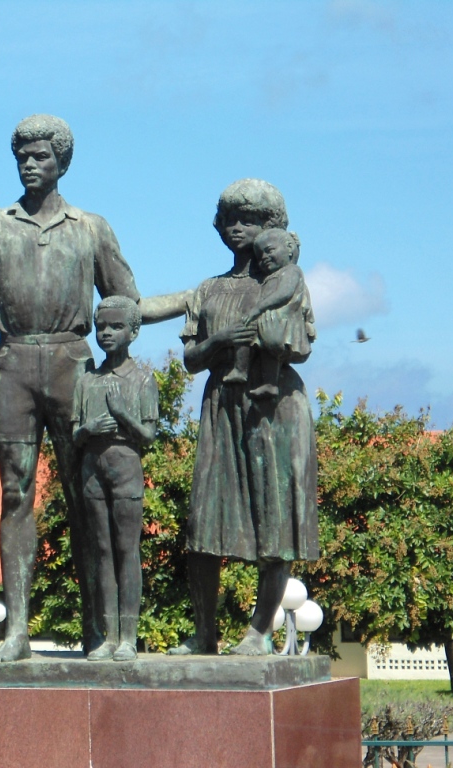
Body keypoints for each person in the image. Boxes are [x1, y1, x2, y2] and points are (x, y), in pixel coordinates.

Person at [0, 115, 187, 661]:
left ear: (62, 162)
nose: (29, 163)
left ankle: (101, 631)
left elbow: (127, 303)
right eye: (22, 155)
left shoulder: (91, 228)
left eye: (41, 155)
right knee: (13, 493)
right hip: (15, 363)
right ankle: (18, 632)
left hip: (73, 362)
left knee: (86, 498)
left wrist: (195, 299)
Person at [170, 178, 318, 657]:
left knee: (276, 522)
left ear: (272, 226)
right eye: (230, 218)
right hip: (222, 407)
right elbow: (191, 359)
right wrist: (218, 341)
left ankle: (259, 630)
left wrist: (268, 340)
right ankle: (204, 632)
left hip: (274, 409)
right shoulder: (209, 289)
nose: (238, 228)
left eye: (250, 220)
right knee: (205, 522)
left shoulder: (287, 280)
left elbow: (301, 345)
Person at [71, 296, 158, 662]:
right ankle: (108, 637)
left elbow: (150, 436)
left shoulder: (142, 378)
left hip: (125, 464)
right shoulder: (87, 379)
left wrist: (123, 415)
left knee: (126, 551)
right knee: (101, 552)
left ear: (133, 332)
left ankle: (128, 637)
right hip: (93, 466)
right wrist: (87, 427)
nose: (105, 333)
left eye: (115, 326)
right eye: (101, 326)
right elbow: (74, 432)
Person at [222, 228, 313, 399]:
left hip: (283, 322)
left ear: (289, 249)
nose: (264, 258)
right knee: (254, 340)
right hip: (270, 320)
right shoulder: (270, 277)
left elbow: (284, 294)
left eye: (269, 250)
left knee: (258, 336)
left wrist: (259, 308)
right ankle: (250, 374)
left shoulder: (292, 271)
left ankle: (248, 372)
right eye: (260, 256)